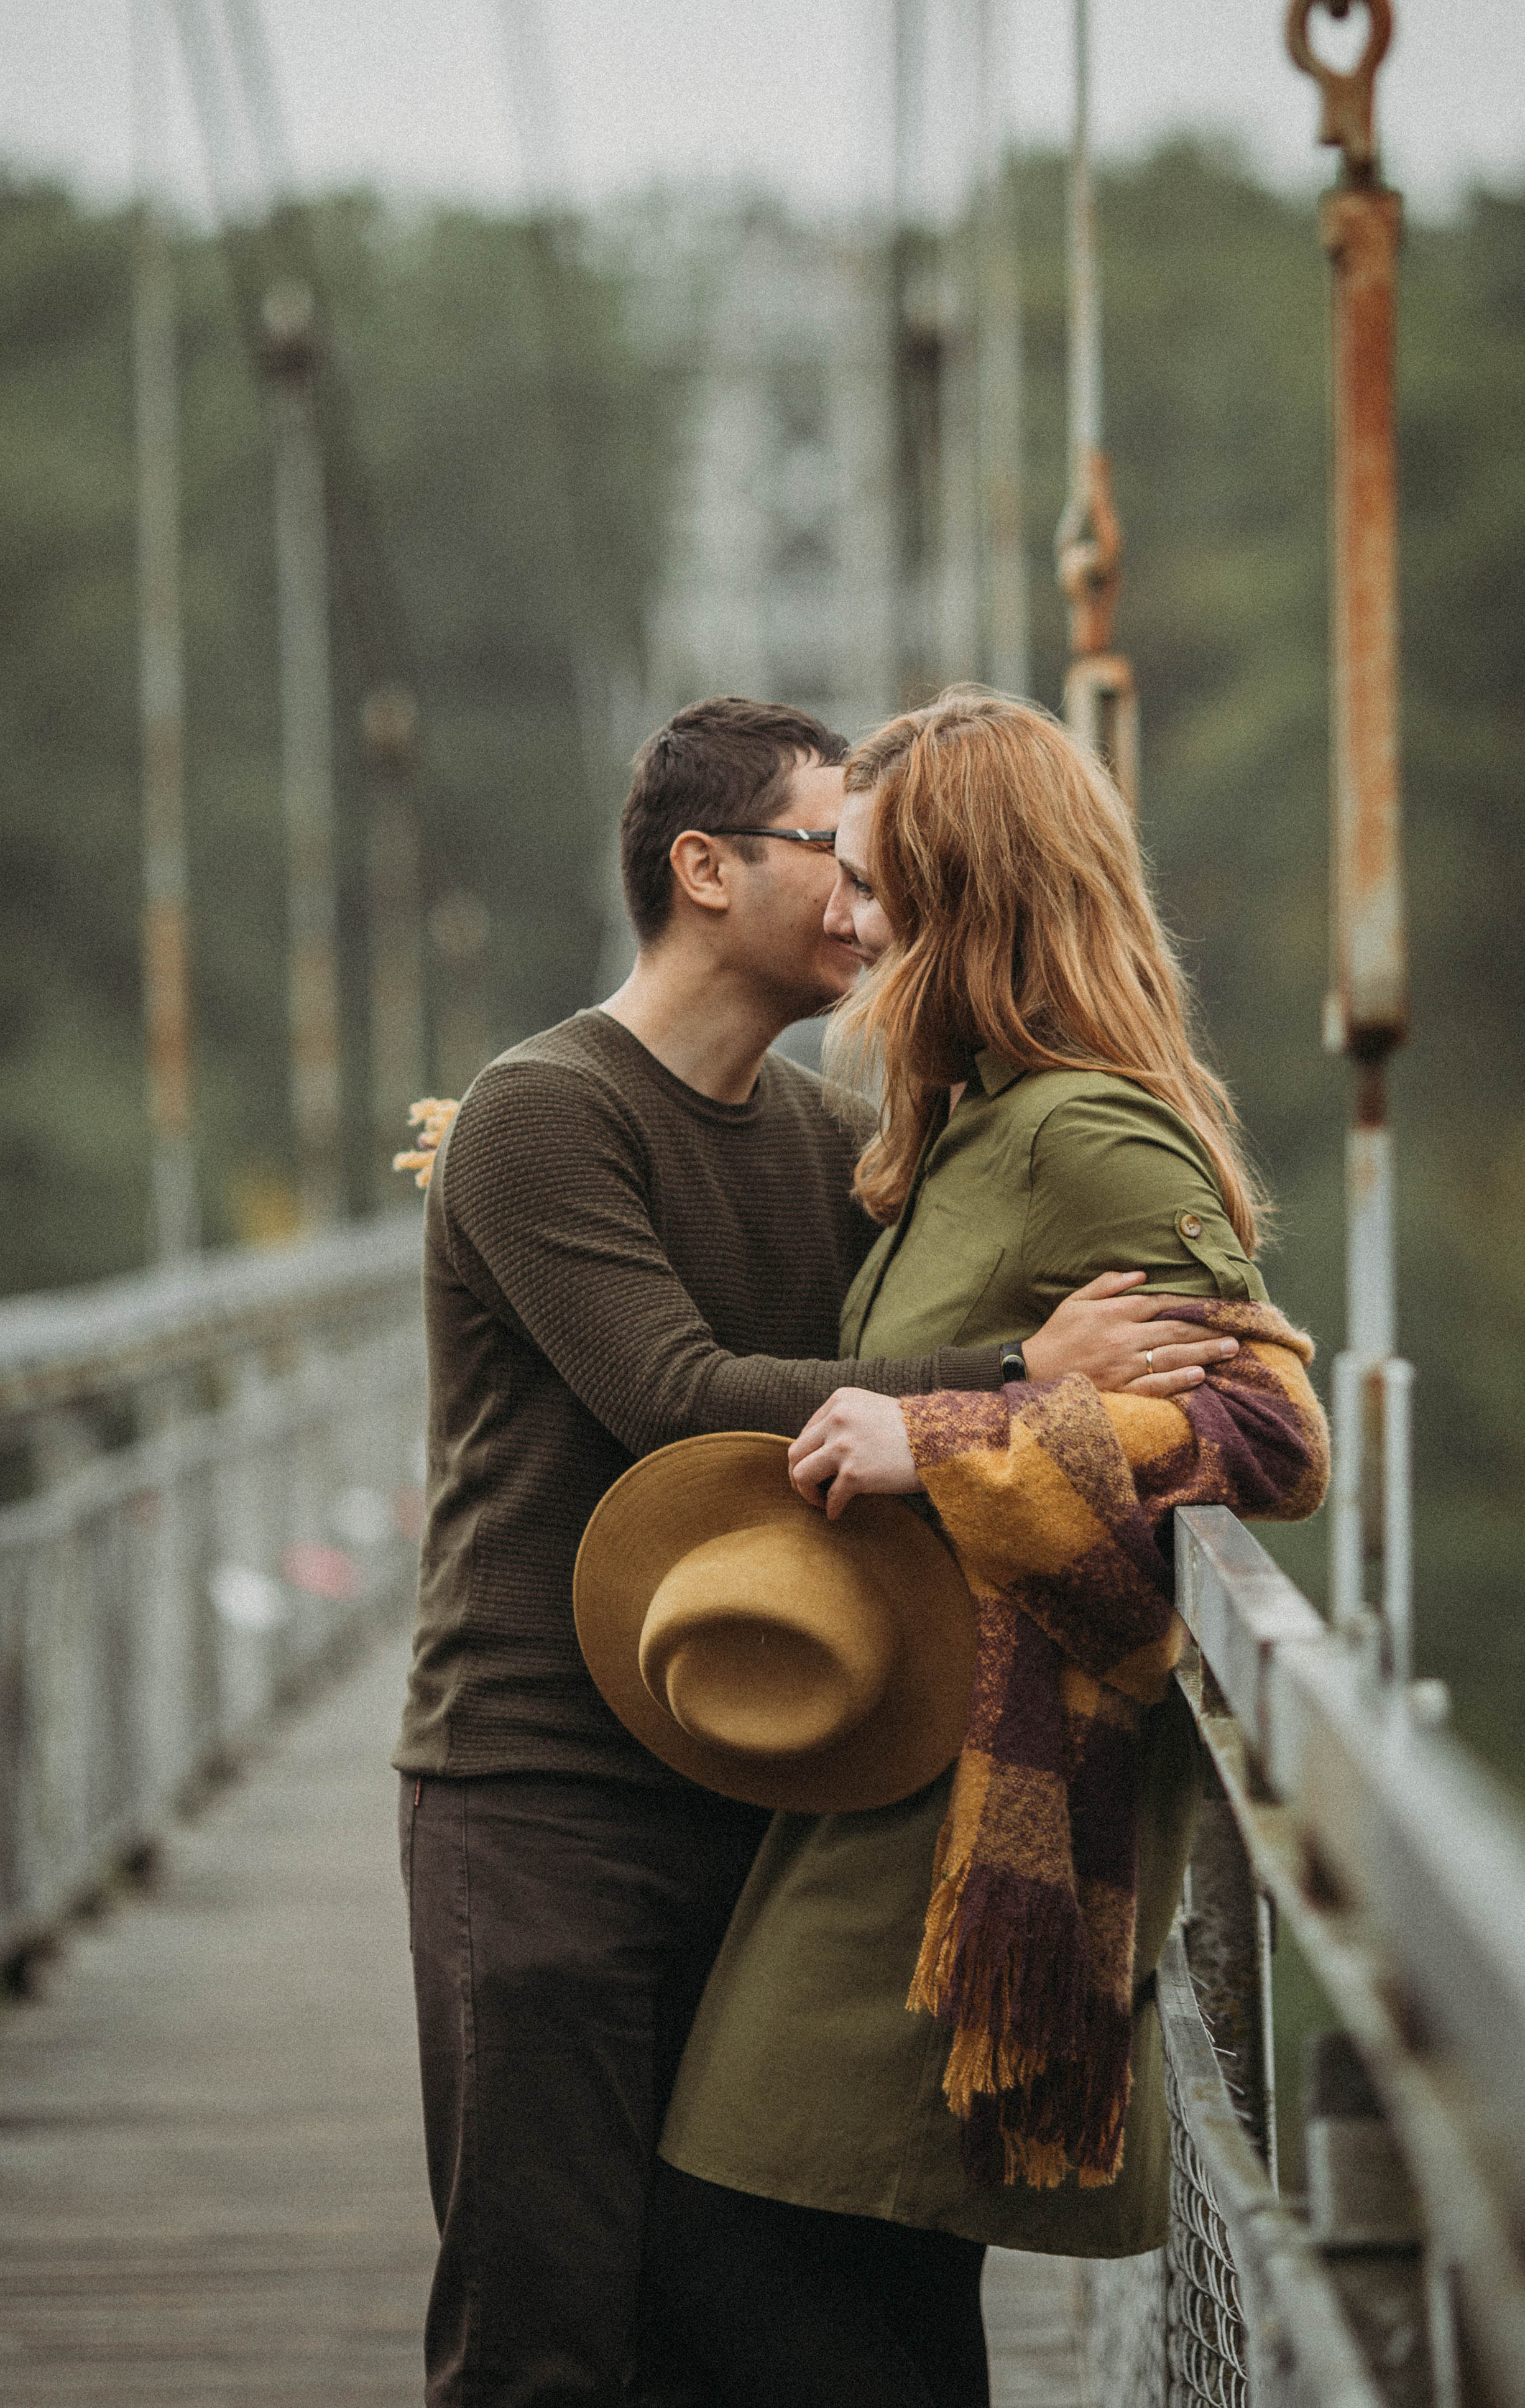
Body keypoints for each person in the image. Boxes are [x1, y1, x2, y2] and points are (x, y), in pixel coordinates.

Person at [393, 693, 1238, 2408]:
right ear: (706, 869)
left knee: (729, 2314)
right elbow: (681, 1402)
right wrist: (1019, 1375)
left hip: (778, 1778)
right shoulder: (542, 1112)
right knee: (545, 2323)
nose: (868, 902)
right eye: (832, 857)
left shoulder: (844, 1152)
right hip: (544, 1790)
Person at [649, 689, 1328, 2408]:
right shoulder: (961, 1124)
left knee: (755, 2252)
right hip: (888, 1777)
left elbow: (1267, 1431)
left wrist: (944, 1440)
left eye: (879, 884)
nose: (848, 916)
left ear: (972, 899)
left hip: (975, 1816)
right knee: (843, 2283)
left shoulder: (1088, 1132)